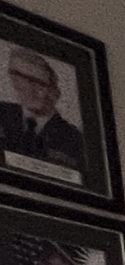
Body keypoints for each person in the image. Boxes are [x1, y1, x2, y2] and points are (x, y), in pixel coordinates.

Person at [0, 47, 84, 175]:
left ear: (55, 92)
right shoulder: (2, 113)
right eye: (22, 80)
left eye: (39, 84)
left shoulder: (74, 138)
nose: (30, 90)